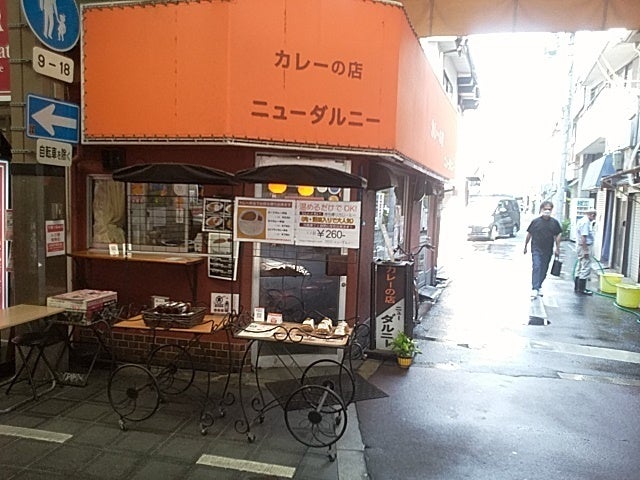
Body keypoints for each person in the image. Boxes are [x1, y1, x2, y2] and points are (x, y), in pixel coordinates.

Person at [523, 200, 562, 298]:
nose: (547, 211)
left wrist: (557, 248)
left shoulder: (554, 223)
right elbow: (529, 234)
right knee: (536, 266)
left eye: (549, 209)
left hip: (548, 249)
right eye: (545, 209)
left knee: (544, 269)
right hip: (536, 248)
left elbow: (558, 235)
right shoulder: (535, 222)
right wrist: (525, 246)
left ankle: (539, 285)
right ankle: (535, 288)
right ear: (541, 209)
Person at [575, 207, 597, 295]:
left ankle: (577, 287)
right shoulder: (585, 222)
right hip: (584, 246)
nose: (594, 219)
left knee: (580, 266)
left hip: (580, 246)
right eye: (594, 216)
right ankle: (581, 288)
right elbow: (583, 237)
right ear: (592, 215)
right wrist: (586, 250)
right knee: (585, 266)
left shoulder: (581, 221)